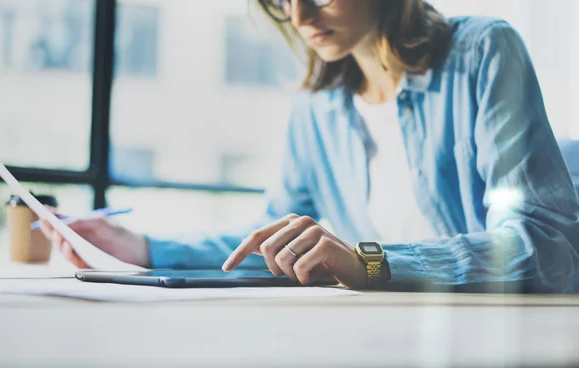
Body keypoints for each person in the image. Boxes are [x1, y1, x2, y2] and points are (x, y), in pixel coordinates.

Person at [42, 0, 579, 292]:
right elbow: (274, 239)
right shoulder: (318, 109)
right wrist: (144, 248)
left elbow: (546, 247)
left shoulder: (483, 52)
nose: (300, 17)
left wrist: (368, 262)